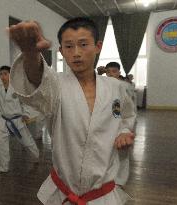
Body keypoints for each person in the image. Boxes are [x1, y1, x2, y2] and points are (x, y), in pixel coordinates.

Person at [9, 17, 136, 204]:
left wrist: (124, 131)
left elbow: (124, 115)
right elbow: (38, 81)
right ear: (61, 51)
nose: (76, 53)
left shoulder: (116, 88)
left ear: (97, 46)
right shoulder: (56, 85)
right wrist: (30, 53)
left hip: (103, 194)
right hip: (63, 190)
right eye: (69, 47)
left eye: (83, 44)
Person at [0, 66, 40, 173]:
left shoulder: (17, 89)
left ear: (10, 75)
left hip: (17, 120)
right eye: (1, 74)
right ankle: (4, 166)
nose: (3, 76)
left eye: (5, 74)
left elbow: (25, 102)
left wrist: (26, 114)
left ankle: (36, 156)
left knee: (27, 141)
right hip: (4, 121)